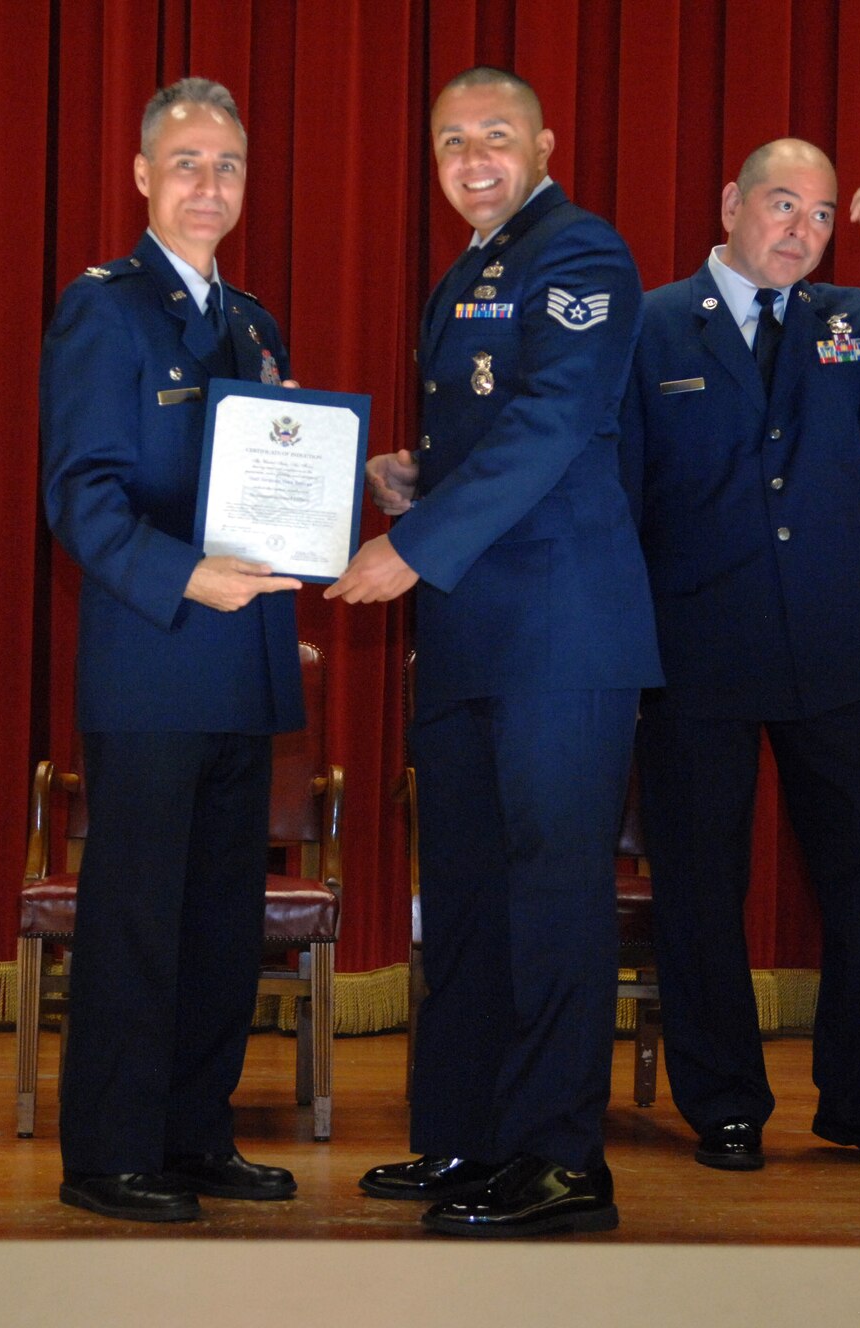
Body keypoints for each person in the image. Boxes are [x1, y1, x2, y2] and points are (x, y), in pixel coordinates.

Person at [327, 66, 660, 1237]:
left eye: (495, 136)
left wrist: (413, 540)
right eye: (451, 141)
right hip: (472, 630)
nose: (472, 158)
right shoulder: (467, 268)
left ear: (543, 142)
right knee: (462, 900)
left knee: (553, 898)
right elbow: (496, 435)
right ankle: (466, 1133)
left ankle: (561, 1161)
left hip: (561, 637)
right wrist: (422, 481)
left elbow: (554, 418)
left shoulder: (579, 251)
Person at [621, 138, 860, 1175]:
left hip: (837, 637)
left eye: (819, 216)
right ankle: (722, 1100)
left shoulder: (850, 320)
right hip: (695, 641)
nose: (799, 231)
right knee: (699, 883)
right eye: (780, 204)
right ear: (728, 203)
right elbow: (619, 483)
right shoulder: (648, 321)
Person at [38, 77, 303, 1223]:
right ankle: (108, 1149)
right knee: (138, 916)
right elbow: (80, 496)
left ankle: (195, 1132)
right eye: (187, 162)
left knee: (217, 921)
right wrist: (184, 571)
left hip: (242, 669)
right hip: (151, 658)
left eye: (229, 166)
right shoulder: (103, 307)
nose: (209, 184)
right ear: (142, 176)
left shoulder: (253, 321)